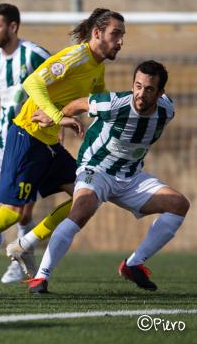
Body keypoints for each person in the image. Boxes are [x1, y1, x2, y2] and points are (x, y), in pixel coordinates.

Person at [0, 8, 125, 293]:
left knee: (86, 196)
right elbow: (33, 82)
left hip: (49, 143)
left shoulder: (98, 65)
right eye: (116, 34)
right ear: (97, 34)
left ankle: (25, 244)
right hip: (26, 135)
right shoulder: (76, 57)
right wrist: (58, 115)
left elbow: (93, 102)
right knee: (12, 212)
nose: (120, 41)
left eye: (122, 35)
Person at [25, 61, 188, 293]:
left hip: (131, 178)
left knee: (179, 205)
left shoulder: (166, 110)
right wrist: (56, 119)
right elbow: (79, 104)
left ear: (161, 93)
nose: (141, 94)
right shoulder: (114, 103)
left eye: (149, 89)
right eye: (138, 86)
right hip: (96, 169)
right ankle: (40, 278)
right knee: (80, 212)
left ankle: (133, 265)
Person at [0, 3, 50, 283]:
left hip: (30, 143)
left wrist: (54, 137)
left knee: (22, 210)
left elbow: (57, 93)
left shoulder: (35, 55)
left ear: (13, 27)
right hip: (1, 142)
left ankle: (19, 258)